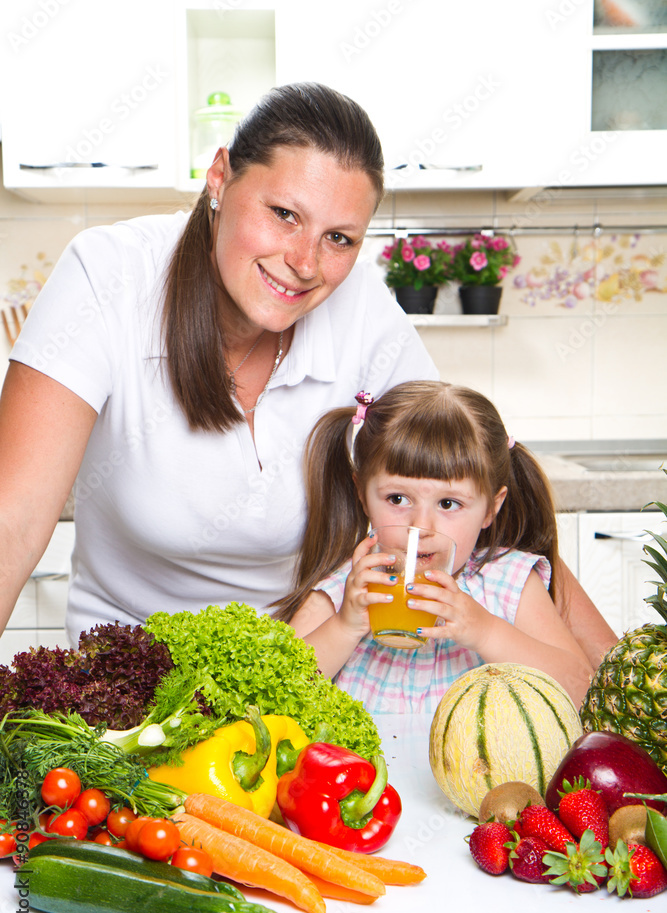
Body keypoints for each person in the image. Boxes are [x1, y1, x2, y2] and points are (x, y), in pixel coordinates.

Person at [0, 81, 614, 670]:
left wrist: (618, 683)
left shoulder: (364, 312)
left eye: (339, 238)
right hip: (133, 684)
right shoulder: (108, 275)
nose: (303, 263)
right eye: (284, 213)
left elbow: (462, 478)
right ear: (220, 176)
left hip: (306, 676)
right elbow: (14, 521)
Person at [277, 381, 595, 710]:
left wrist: (486, 632)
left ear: (490, 508)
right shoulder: (347, 589)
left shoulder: (508, 583)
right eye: (397, 498)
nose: (422, 526)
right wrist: (343, 627)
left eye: (448, 504)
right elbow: (272, 696)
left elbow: (581, 690)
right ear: (362, 495)